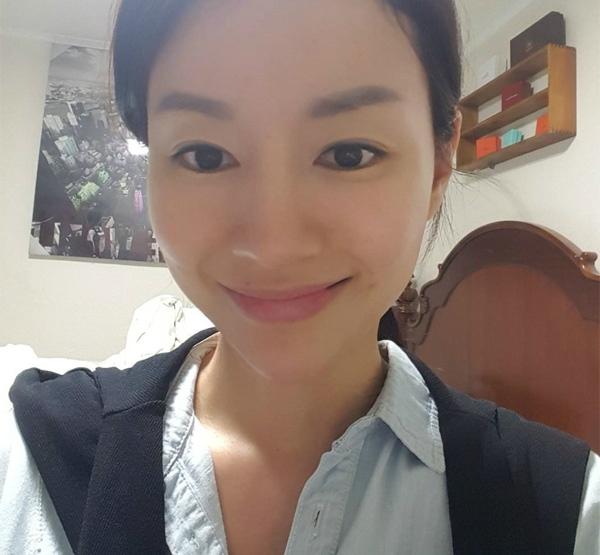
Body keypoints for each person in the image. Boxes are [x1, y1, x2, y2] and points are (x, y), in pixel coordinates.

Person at [1, 1, 598, 554]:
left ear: (441, 164)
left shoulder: (565, 512)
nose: (273, 245)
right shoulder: (28, 460)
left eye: (349, 154)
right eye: (205, 155)